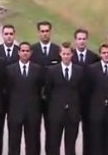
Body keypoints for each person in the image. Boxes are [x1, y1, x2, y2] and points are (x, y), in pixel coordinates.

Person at [45, 42, 85, 155]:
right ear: (60, 54)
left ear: (72, 54)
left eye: (68, 54)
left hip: (73, 113)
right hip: (56, 113)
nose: (66, 56)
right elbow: (48, 90)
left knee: (70, 145)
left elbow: (82, 91)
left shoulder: (79, 70)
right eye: (64, 54)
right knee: (54, 144)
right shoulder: (51, 70)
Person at [5, 42, 44, 155]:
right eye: (23, 51)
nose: (25, 53)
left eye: (27, 51)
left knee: (32, 143)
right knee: (14, 143)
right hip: (15, 111)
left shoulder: (38, 69)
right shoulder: (10, 70)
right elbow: (7, 90)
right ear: (18, 52)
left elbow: (40, 88)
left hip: (32, 112)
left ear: (31, 53)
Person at [30, 21, 61, 154]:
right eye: (42, 31)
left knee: (52, 130)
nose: (44, 33)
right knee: (34, 130)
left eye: (47, 31)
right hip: (35, 97)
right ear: (38, 33)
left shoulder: (57, 50)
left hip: (52, 98)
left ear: (50, 32)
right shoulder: (32, 50)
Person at [71, 28, 99, 155]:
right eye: (79, 39)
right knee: (72, 134)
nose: (81, 41)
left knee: (89, 134)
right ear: (75, 40)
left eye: (83, 39)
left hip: (89, 102)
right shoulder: (69, 56)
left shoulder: (93, 57)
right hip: (74, 101)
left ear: (86, 40)